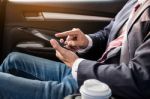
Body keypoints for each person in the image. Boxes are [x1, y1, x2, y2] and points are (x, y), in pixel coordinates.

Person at [0, 0, 150, 99]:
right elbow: (109, 31)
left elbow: (140, 79)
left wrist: (77, 64)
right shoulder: (137, 1)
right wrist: (87, 41)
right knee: (13, 60)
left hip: (104, 88)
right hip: (95, 69)